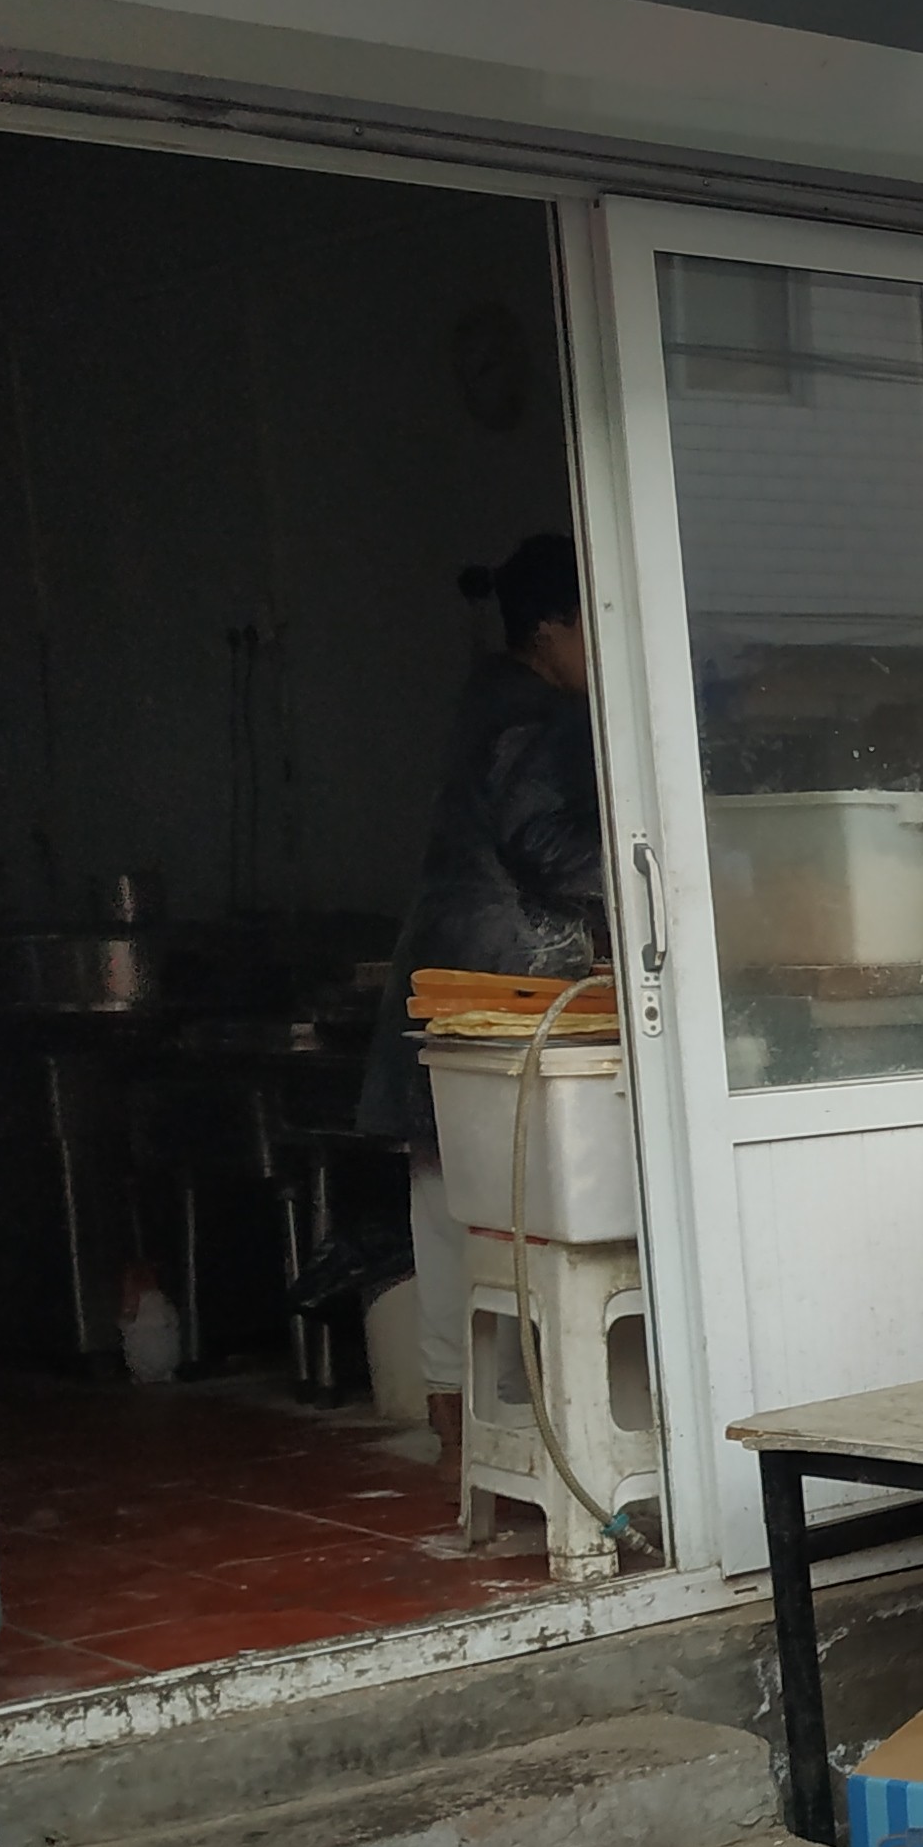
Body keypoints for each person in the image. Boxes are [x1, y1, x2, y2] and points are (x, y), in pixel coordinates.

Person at [356, 532, 607, 1472]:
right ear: (551, 630)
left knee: (451, 1222)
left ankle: (469, 1436)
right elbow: (549, 847)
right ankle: (511, 1440)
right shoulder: (535, 715)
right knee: (501, 1224)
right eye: (597, 627)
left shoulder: (491, 701)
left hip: (453, 994)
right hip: (501, 992)